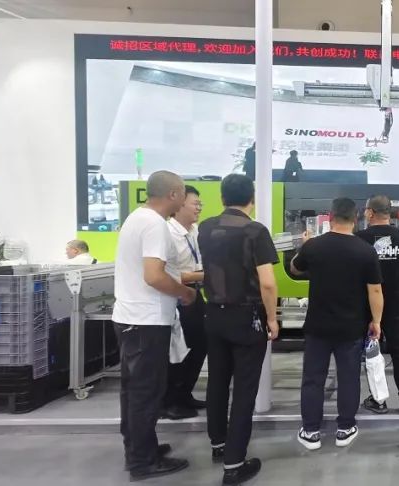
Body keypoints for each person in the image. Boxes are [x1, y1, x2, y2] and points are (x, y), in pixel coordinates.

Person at [111, 170, 196, 481]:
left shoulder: (137, 218)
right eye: (183, 194)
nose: (185, 201)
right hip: (146, 322)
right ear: (173, 194)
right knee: (146, 392)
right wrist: (185, 292)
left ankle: (139, 448)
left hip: (131, 318)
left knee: (133, 391)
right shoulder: (155, 225)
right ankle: (143, 462)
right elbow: (154, 276)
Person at [197, 174, 279, 485]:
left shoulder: (206, 228)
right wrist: (272, 319)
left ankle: (218, 444)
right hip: (246, 317)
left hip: (213, 314)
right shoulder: (255, 231)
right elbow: (267, 283)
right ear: (252, 199)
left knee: (217, 382)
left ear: (222, 198)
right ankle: (234, 464)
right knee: (244, 390)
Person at [291, 197, 383, 451]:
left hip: (317, 325)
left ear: (330, 217)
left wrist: (304, 246)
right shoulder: (365, 250)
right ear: (356, 218)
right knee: (349, 377)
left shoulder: (314, 246)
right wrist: (376, 321)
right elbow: (375, 290)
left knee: (313, 379)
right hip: (351, 327)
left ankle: (311, 431)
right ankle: (345, 428)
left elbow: (295, 269)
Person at [356, 195, 399, 414]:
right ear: (390, 212)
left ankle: (378, 401)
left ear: (370, 212)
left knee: (372, 351)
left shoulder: (359, 238)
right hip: (395, 302)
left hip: (366, 305)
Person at [161, 185, 207, 421]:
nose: (199, 208)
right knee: (178, 351)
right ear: (179, 205)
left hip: (196, 294)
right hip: (176, 298)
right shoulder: (167, 233)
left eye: (200, 204)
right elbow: (165, 274)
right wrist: (202, 275)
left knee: (200, 345)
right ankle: (169, 401)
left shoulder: (195, 231)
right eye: (195, 203)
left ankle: (184, 394)